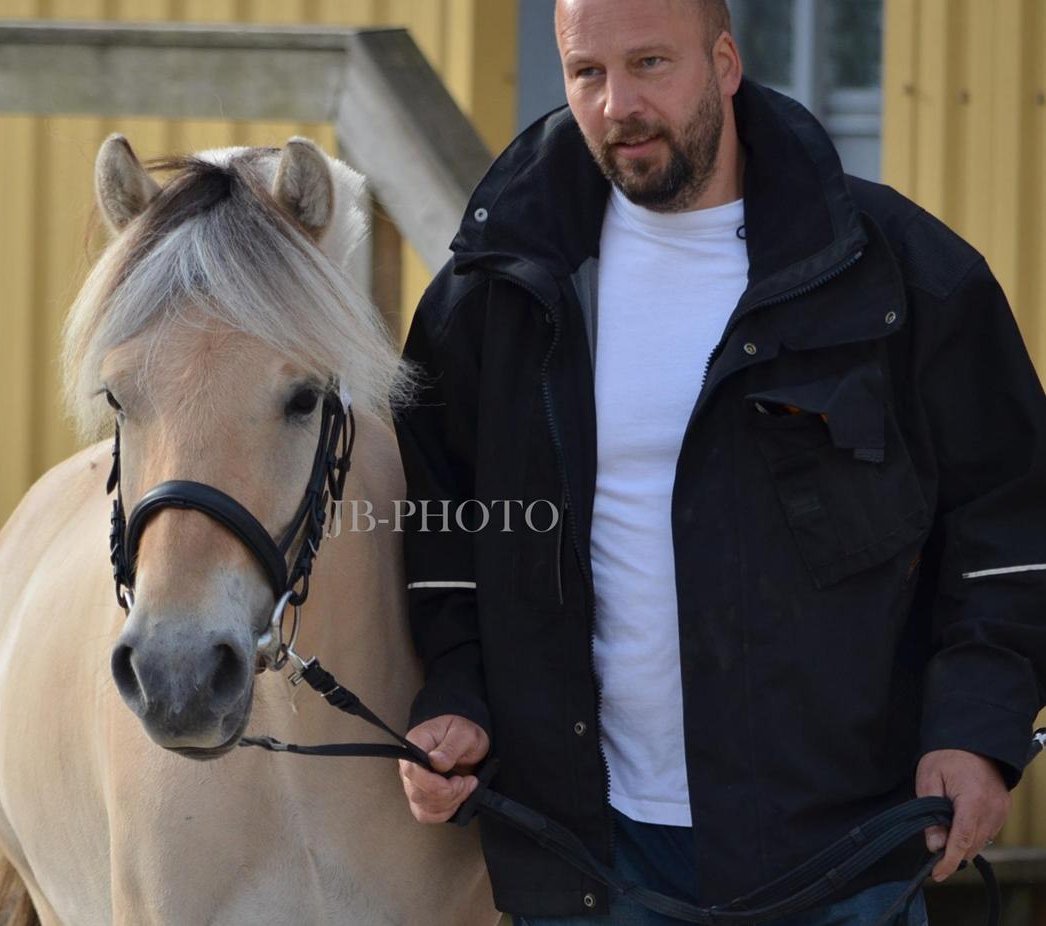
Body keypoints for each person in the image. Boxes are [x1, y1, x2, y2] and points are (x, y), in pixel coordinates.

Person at [393, 0, 1046, 922]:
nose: (619, 102)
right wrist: (455, 689)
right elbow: (439, 516)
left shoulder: (896, 275)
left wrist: (977, 728)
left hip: (839, 851)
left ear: (727, 63)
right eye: (588, 73)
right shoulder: (498, 289)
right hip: (586, 852)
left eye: (652, 63)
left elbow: (1013, 523)